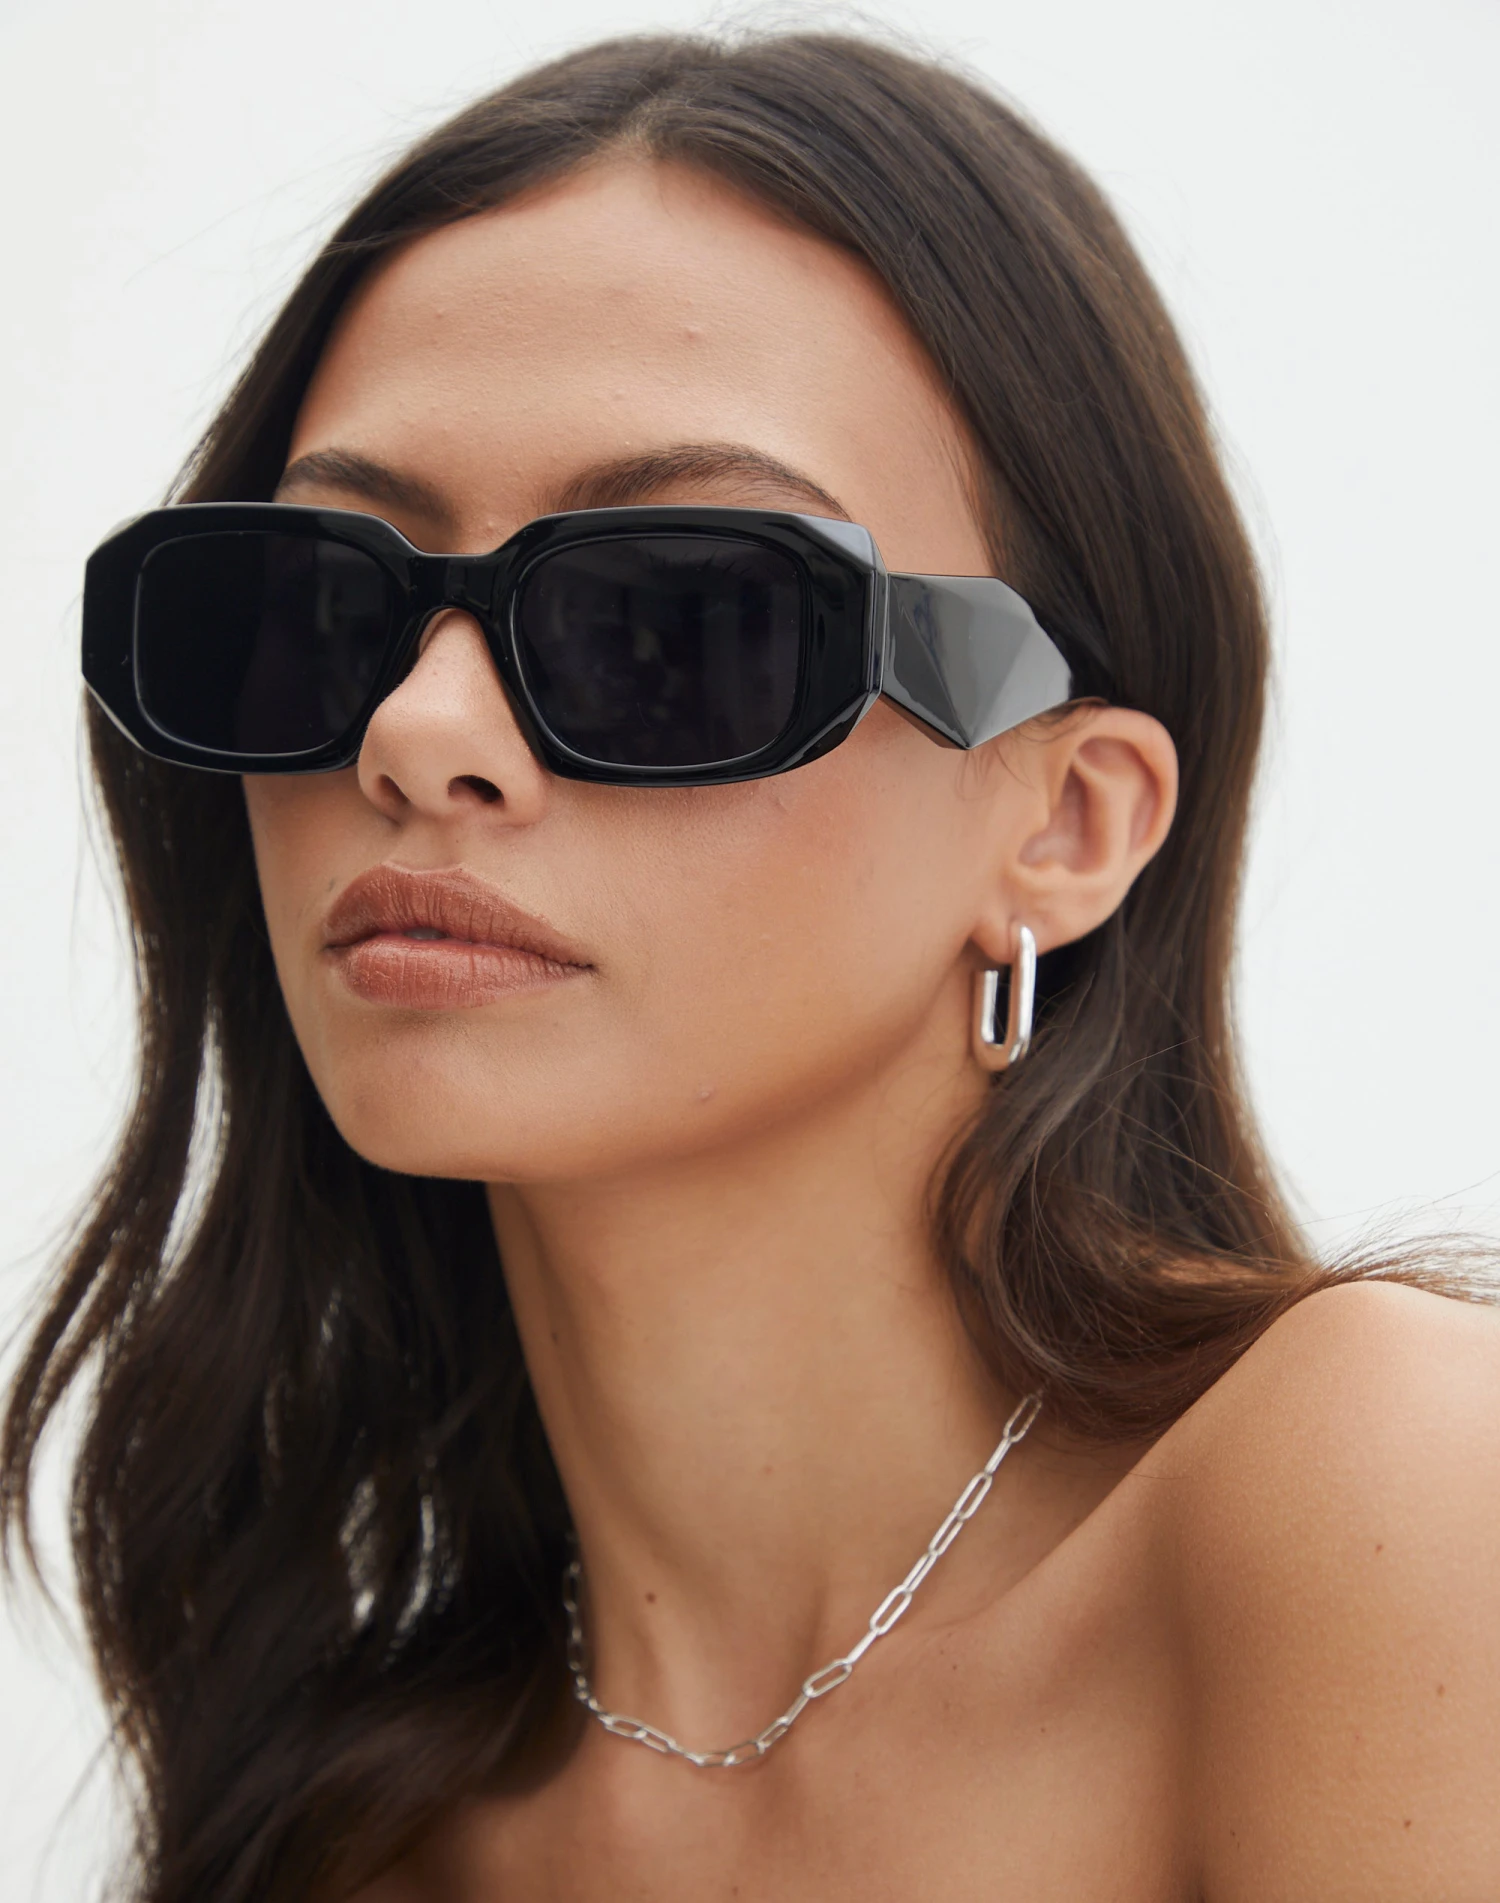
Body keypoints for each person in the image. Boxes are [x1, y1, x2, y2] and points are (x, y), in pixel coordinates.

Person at [5, 30, 1497, 1903]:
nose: (419, 731)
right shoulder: (349, 1835)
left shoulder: (1386, 1493)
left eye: (677, 619)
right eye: (320, 609)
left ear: (1065, 822)